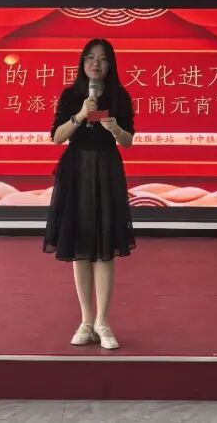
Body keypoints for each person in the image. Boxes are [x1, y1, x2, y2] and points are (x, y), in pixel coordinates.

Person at [44, 38, 135, 349]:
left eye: (103, 58)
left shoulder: (120, 95)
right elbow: (57, 137)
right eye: (90, 57)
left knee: (104, 247)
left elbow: (128, 141)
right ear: (82, 62)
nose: (96, 63)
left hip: (106, 170)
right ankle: (86, 321)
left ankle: (103, 323)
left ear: (111, 64)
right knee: (81, 245)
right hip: (77, 172)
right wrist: (81, 114)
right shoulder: (71, 95)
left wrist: (115, 129)